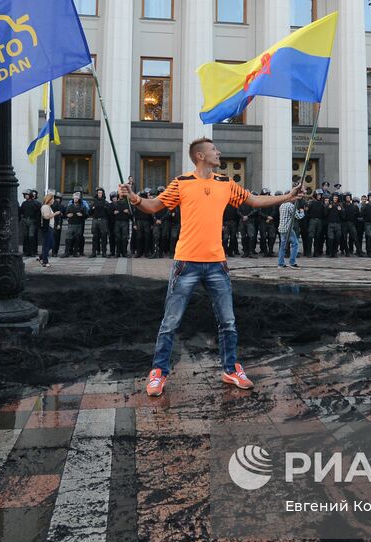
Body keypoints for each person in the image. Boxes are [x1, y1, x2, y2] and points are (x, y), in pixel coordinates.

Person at [121, 138, 306, 397]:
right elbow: (154, 207)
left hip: (217, 263)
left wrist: (288, 195)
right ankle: (159, 372)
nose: (218, 152)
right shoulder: (182, 183)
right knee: (170, 322)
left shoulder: (225, 183)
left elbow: (252, 200)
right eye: (213, 150)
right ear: (199, 155)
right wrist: (134, 198)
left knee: (227, 322)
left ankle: (231, 369)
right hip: (186, 262)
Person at [277, 193, 301, 268]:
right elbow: (298, 216)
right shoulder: (290, 206)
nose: (295, 199)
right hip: (288, 228)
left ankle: (280, 263)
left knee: (283, 246)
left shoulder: (282, 205)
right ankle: (292, 262)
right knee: (295, 244)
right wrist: (302, 212)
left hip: (281, 227)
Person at [38, 192, 57, 266]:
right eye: (52, 199)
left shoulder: (48, 207)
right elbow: (46, 217)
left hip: (50, 227)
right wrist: (55, 214)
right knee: (47, 245)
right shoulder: (45, 207)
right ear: (49, 200)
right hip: (47, 228)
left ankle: (41, 257)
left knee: (51, 244)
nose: (53, 200)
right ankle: (45, 262)